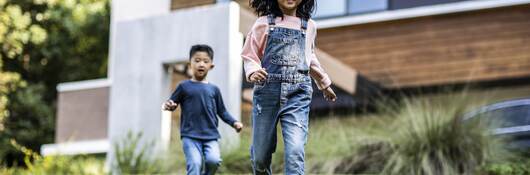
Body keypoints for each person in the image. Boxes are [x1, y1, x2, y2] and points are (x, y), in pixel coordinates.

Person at [242, 0, 337, 174]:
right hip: (267, 95)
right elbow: (249, 54)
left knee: (295, 152)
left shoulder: (309, 26)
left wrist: (324, 83)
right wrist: (253, 71)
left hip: (297, 94)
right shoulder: (263, 23)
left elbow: (310, 58)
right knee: (260, 158)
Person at [163, 44, 244, 175]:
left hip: (210, 136)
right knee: (195, 163)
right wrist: (167, 105)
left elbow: (222, 111)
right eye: (197, 60)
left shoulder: (214, 90)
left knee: (214, 160)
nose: (201, 64)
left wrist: (234, 123)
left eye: (205, 61)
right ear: (190, 64)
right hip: (190, 135)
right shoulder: (184, 87)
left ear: (211, 66)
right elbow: (171, 102)